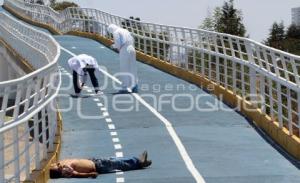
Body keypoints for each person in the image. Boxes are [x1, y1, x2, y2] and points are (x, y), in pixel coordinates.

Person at [49, 151, 152, 179]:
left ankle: (137, 161)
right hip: (97, 166)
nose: (55, 165)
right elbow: (75, 174)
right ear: (57, 171)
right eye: (55, 167)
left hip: (94, 161)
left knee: (115, 160)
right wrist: (89, 175)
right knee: (118, 164)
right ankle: (139, 162)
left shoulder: (58, 164)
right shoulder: (65, 169)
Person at [107, 24, 138, 93]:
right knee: (133, 67)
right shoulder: (125, 30)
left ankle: (124, 87)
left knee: (124, 68)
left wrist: (113, 46)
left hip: (125, 49)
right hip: (132, 48)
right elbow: (132, 39)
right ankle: (135, 86)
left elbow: (118, 44)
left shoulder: (116, 32)